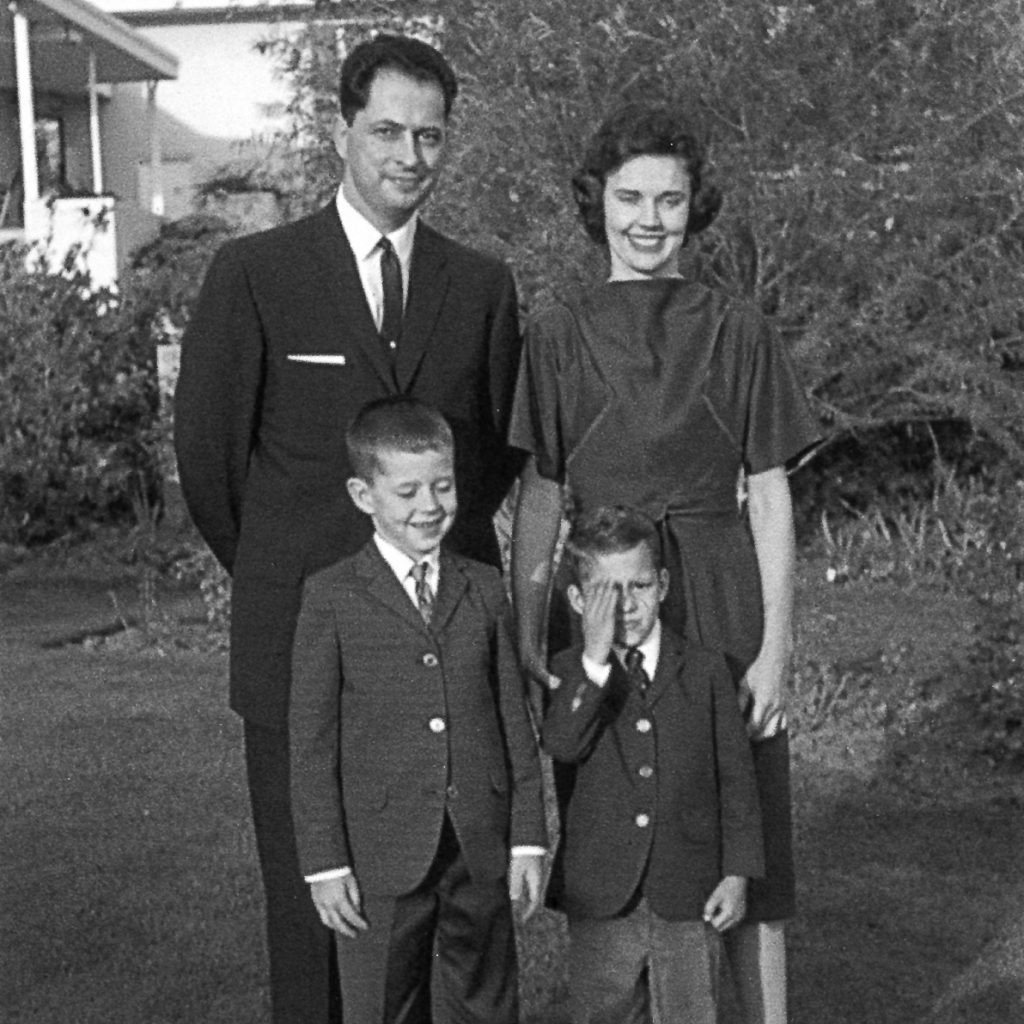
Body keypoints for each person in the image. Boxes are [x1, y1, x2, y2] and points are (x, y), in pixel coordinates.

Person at [173, 34, 522, 1024]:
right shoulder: (255, 275)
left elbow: (492, 458)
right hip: (298, 650)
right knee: (314, 926)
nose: (408, 156)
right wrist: (295, 575)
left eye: (429, 136)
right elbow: (209, 461)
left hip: (442, 653)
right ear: (341, 130)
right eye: (386, 132)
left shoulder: (481, 285)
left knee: (449, 923)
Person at [509, 104, 820, 1023]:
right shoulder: (558, 331)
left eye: (671, 200)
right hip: (603, 601)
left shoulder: (738, 329)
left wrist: (776, 650)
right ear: (596, 202)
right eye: (630, 197)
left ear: (697, 207)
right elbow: (539, 495)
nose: (650, 219)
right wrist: (534, 634)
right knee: (613, 832)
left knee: (747, 837)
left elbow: (768, 492)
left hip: (719, 598)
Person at [289, 396, 547, 1024]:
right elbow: (311, 744)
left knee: (485, 1004)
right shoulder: (331, 597)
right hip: (381, 851)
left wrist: (528, 841)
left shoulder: (482, 587)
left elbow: (513, 722)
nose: (429, 507)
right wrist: (326, 863)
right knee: (380, 1006)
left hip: (476, 843)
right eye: (407, 492)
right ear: (362, 494)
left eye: (442, 486)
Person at [542, 506, 764, 1024]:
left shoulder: (706, 670)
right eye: (606, 592)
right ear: (577, 599)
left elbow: (736, 781)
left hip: (689, 887)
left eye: (639, 586)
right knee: (605, 1012)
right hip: (602, 893)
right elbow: (562, 744)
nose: (626, 604)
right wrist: (594, 662)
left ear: (663, 585)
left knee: (691, 1011)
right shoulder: (570, 672)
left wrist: (738, 873)